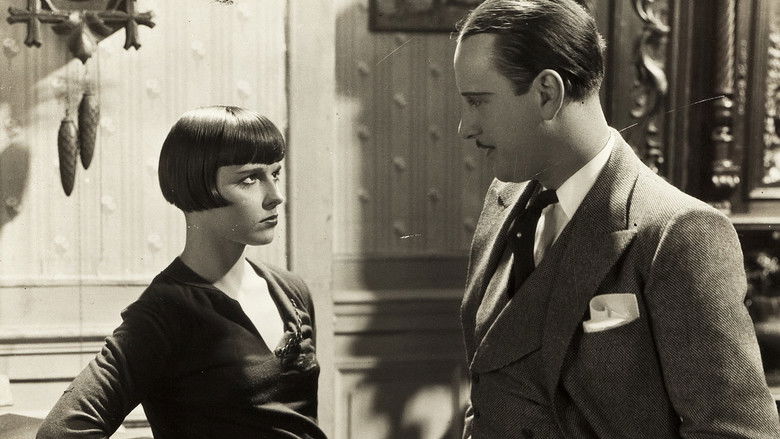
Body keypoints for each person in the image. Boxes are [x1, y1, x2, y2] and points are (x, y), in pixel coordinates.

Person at [453, 1, 780, 438]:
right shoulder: (503, 200)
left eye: (477, 102)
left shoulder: (679, 234)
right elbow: (491, 395)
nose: (465, 127)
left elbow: (736, 433)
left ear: (547, 93)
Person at [37, 106, 327, 439]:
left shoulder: (291, 289)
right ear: (197, 186)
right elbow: (59, 432)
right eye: (249, 179)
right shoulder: (165, 312)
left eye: (274, 174)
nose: (276, 196)